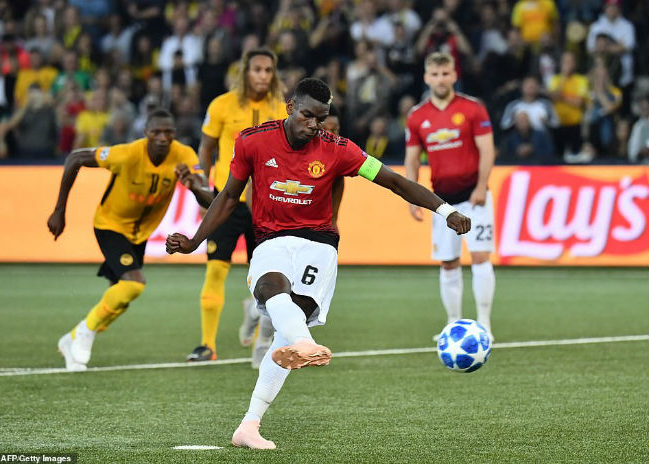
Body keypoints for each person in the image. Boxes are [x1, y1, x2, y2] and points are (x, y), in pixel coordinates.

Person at [166, 78, 471, 449]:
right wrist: (195, 240)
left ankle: (249, 425)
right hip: (271, 239)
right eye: (307, 116)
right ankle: (305, 341)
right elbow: (229, 196)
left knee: (285, 333)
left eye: (321, 119)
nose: (314, 125)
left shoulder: (339, 149)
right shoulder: (252, 141)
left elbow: (393, 181)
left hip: (319, 245)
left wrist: (446, 210)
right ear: (290, 107)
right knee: (271, 288)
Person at [48, 109, 212, 372]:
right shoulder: (126, 154)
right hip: (110, 225)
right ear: (146, 133)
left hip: (140, 234)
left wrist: (194, 185)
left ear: (174, 134)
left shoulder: (184, 156)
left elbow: (210, 199)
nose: (163, 138)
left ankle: (72, 340)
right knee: (134, 283)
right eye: (156, 132)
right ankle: (84, 332)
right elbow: (75, 157)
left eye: (168, 132)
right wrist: (59, 210)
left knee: (121, 298)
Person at [186, 48, 288, 366]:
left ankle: (261, 343)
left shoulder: (281, 108)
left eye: (268, 70)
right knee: (215, 269)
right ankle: (207, 344)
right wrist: (203, 191)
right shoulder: (221, 105)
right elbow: (205, 148)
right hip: (226, 200)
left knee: (266, 276)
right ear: (245, 72)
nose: (263, 76)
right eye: (257, 69)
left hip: (267, 204)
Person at [404, 52, 496, 341]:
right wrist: (412, 196)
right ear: (426, 77)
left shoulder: (472, 108)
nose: (440, 79)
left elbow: (487, 149)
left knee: (480, 257)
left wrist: (481, 186)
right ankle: (453, 323)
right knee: (448, 262)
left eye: (445, 73)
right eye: (435, 74)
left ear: (454, 75)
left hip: (474, 196)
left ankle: (484, 324)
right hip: (441, 201)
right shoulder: (417, 116)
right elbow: (412, 160)